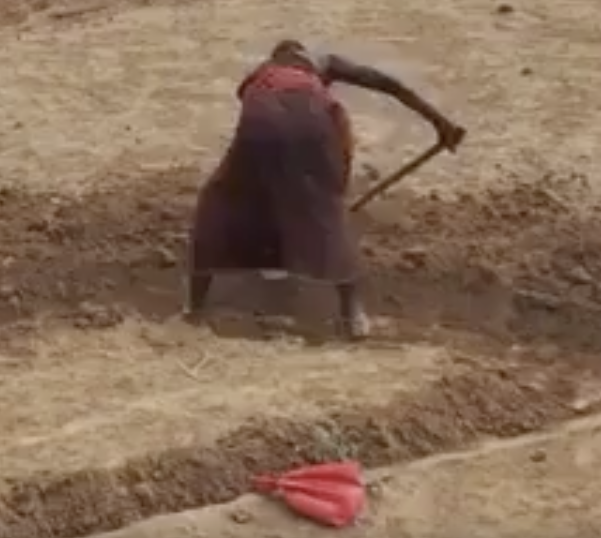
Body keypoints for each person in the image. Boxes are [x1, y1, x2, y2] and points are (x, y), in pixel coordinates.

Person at [187, 38, 465, 340]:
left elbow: (264, 136)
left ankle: (195, 308)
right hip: (310, 119)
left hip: (260, 116)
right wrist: (441, 123)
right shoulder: (324, 63)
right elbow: (389, 85)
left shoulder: (262, 74)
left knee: (222, 199)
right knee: (324, 206)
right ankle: (352, 314)